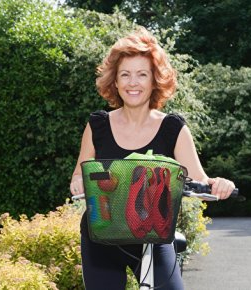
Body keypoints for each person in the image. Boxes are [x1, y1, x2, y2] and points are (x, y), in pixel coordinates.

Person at [70, 27, 235, 290]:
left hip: (153, 236)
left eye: (141, 74)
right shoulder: (98, 126)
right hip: (101, 235)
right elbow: (79, 175)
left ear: (154, 80)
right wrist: (78, 182)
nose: (132, 82)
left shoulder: (173, 129)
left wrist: (219, 185)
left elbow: (201, 183)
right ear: (114, 80)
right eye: (125, 74)